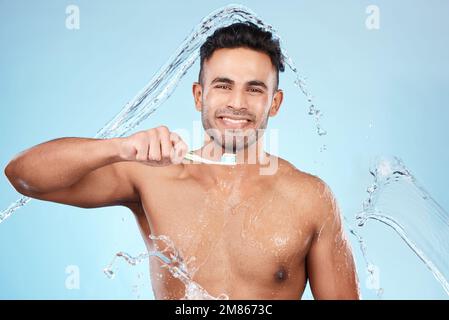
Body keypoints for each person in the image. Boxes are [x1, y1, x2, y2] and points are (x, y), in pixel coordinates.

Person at [4, 22, 360, 299]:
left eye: (254, 88)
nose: (237, 102)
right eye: (223, 85)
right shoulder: (152, 176)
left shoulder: (310, 198)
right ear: (198, 95)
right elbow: (23, 175)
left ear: (275, 103)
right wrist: (120, 147)